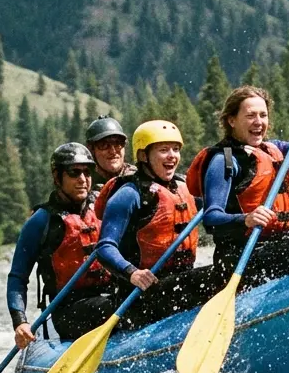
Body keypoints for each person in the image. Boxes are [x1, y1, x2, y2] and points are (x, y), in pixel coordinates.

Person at [184, 81, 289, 285]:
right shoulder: (225, 161)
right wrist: (246, 218)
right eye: (250, 115)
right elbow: (211, 216)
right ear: (231, 120)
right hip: (241, 257)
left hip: (274, 246)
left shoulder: (274, 149)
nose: (258, 121)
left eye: (263, 115)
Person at [83, 120, 214, 335]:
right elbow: (104, 248)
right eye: (163, 150)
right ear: (144, 156)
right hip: (143, 293)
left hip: (177, 282)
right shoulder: (128, 194)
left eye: (176, 149)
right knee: (217, 277)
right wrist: (132, 273)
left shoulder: (182, 188)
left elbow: (219, 208)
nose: (172, 155)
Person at [4, 143, 115, 347]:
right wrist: (20, 322)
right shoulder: (41, 221)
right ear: (58, 177)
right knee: (114, 307)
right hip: (69, 311)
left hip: (110, 297)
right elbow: (17, 278)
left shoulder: (102, 207)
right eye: (74, 172)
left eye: (87, 172)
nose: (83, 179)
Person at [86, 115, 133, 219]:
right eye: (104, 145)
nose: (113, 151)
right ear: (92, 150)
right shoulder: (84, 184)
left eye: (118, 144)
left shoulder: (139, 177)